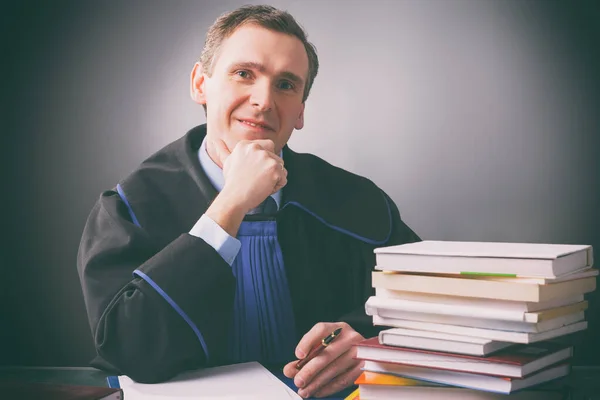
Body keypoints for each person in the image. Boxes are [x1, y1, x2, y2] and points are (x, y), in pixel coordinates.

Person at [77, 4, 419, 398]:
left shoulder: (359, 202)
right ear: (200, 83)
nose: (264, 100)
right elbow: (129, 350)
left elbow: (431, 305)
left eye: (286, 85)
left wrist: (368, 338)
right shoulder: (127, 209)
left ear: (301, 111)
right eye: (244, 74)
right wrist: (231, 204)